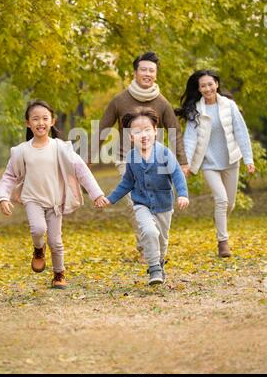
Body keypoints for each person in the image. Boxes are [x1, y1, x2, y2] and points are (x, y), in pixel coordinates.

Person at [0, 100, 107, 289]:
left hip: (55, 202)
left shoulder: (60, 148)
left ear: (52, 121)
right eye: (35, 119)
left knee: (56, 241)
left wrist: (96, 194)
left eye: (45, 118)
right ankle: (38, 250)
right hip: (33, 199)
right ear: (28, 123)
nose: (40, 122)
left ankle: (59, 274)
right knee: (38, 229)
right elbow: (9, 176)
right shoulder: (21, 151)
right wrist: (3, 197)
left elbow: (81, 170)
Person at [92, 52, 189, 256]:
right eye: (143, 69)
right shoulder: (119, 100)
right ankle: (146, 243)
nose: (147, 73)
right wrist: (89, 158)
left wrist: (183, 161)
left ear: (156, 74)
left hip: (155, 159)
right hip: (126, 157)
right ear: (135, 73)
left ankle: (152, 242)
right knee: (131, 201)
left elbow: (175, 132)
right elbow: (102, 128)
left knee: (154, 200)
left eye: (151, 70)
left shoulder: (162, 102)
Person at [98, 107, 189, 285]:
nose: (143, 134)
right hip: (141, 203)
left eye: (147, 130)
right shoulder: (131, 157)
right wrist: (110, 199)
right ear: (131, 136)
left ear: (155, 131)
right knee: (149, 231)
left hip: (163, 204)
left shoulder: (164, 153)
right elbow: (127, 183)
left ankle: (160, 262)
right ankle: (154, 267)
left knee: (162, 239)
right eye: (137, 131)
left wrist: (183, 194)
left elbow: (177, 174)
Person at [176, 70, 255, 257]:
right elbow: (190, 139)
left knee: (230, 204)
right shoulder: (196, 110)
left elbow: (241, 132)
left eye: (210, 84)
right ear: (199, 89)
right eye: (203, 86)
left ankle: (219, 220)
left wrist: (249, 159)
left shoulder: (229, 105)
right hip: (209, 163)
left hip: (230, 161)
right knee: (221, 200)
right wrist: (185, 163)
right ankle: (223, 242)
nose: (207, 88)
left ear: (216, 84)